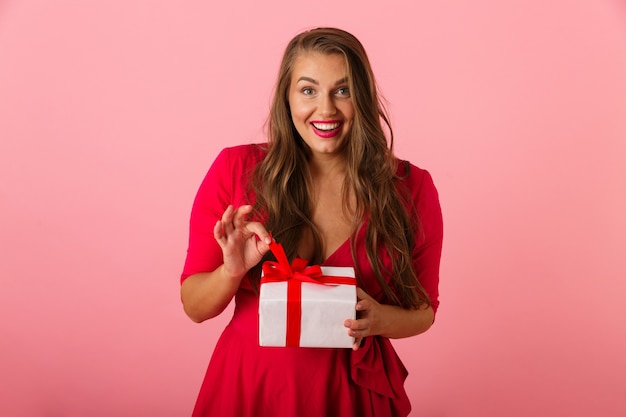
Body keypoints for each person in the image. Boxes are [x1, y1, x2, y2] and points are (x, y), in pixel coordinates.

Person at [180, 27, 443, 417]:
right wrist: (231, 271)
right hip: (250, 388)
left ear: (364, 98)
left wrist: (380, 320)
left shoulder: (411, 188)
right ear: (287, 98)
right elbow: (195, 307)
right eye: (308, 90)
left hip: (352, 395)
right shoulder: (235, 170)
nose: (326, 110)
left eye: (343, 90)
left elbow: (424, 311)